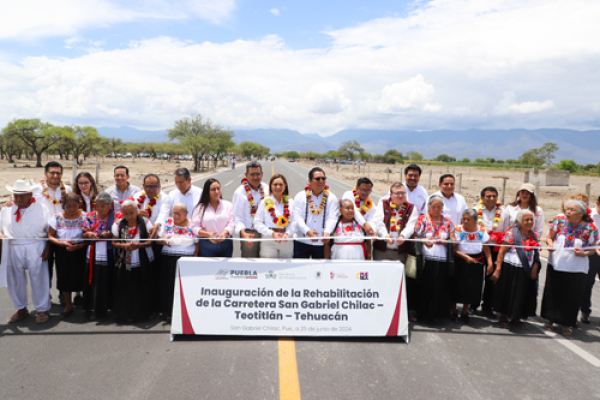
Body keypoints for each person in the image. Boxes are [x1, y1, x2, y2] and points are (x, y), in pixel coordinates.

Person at [542, 199, 598, 335]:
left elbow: (593, 248)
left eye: (572, 210)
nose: (568, 211)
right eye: (567, 209)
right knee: (553, 292)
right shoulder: (559, 221)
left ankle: (567, 322)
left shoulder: (590, 228)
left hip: (577, 268)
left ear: (581, 213)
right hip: (557, 263)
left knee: (572, 296)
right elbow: (549, 238)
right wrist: (550, 245)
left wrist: (584, 253)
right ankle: (549, 319)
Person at [1, 179, 52, 324]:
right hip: (13, 246)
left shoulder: (41, 208)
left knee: (39, 278)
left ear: (30, 194)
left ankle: (42, 309)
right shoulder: (6, 209)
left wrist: (48, 246)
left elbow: (50, 229)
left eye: (22, 195)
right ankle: (21, 308)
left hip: (36, 245)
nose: (18, 199)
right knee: (15, 280)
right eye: (16, 195)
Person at [491, 209, 541, 328]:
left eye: (531, 220)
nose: (530, 222)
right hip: (511, 267)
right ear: (519, 221)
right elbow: (501, 253)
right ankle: (503, 315)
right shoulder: (511, 233)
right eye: (526, 220)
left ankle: (516, 317)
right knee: (508, 292)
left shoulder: (534, 235)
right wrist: (498, 269)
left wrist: (535, 266)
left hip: (525, 269)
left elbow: (537, 254)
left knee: (521, 293)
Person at [33, 161, 73, 303]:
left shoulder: (67, 189)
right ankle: (46, 294)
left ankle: (64, 293)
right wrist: (9, 203)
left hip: (63, 234)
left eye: (58, 173)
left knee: (64, 266)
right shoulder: (36, 190)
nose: (55, 175)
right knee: (46, 266)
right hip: (43, 234)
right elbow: (23, 202)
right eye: (52, 172)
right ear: (46, 174)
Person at [413, 195, 456, 322]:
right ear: (429, 207)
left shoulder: (448, 222)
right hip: (426, 259)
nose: (436, 209)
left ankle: (435, 314)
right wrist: (423, 240)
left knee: (439, 287)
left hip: (442, 260)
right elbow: (415, 237)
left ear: (442, 208)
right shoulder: (422, 220)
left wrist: (446, 241)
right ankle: (420, 312)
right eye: (434, 206)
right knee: (424, 286)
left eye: (439, 207)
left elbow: (453, 239)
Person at [111, 200, 155, 322]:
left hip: (143, 259)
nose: (129, 216)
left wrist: (138, 245)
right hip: (126, 260)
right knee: (128, 287)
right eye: (126, 213)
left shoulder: (145, 222)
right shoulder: (118, 224)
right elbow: (114, 243)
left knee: (144, 284)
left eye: (132, 212)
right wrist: (124, 246)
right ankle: (128, 313)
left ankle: (147, 311)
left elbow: (151, 241)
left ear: (137, 211)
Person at [47, 193, 87, 319]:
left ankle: (84, 302)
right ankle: (68, 306)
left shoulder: (85, 216)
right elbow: (50, 236)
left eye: (74, 206)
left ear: (79, 205)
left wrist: (79, 246)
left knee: (83, 276)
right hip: (63, 252)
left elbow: (88, 237)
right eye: (68, 206)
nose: (71, 209)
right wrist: (61, 243)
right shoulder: (57, 218)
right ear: (64, 206)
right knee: (65, 278)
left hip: (81, 251)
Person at [158, 202, 198, 320]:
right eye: (175, 213)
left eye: (180, 214)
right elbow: (158, 240)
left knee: (184, 286)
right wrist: (164, 241)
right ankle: (169, 312)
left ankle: (184, 312)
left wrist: (196, 256)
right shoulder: (167, 222)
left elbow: (197, 242)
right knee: (169, 286)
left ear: (186, 213)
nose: (176, 216)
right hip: (169, 258)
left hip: (186, 258)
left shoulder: (192, 224)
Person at [452, 209, 493, 324]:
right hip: (460, 260)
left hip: (476, 261)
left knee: (471, 287)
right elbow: (453, 249)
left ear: (475, 220)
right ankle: (454, 310)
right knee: (456, 286)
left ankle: (465, 312)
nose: (465, 221)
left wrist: (489, 263)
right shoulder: (458, 230)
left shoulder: (482, 231)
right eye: (463, 219)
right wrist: (465, 257)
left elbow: (486, 248)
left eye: (468, 219)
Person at [82, 191, 116, 320]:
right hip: (93, 251)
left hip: (108, 252)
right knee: (92, 279)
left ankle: (106, 307)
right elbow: (83, 233)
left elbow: (119, 232)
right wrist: (89, 234)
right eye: (97, 205)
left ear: (110, 205)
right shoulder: (90, 216)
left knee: (106, 280)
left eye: (103, 206)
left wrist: (110, 234)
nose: (99, 209)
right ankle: (89, 307)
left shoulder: (116, 217)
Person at [293, 167, 338, 259]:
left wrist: (327, 232)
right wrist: (307, 231)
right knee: (300, 271)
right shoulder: (300, 196)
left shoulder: (332, 198)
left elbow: (332, 217)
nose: (321, 181)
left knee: (319, 272)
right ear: (310, 180)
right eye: (317, 179)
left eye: (323, 178)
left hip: (321, 242)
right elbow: (297, 217)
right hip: (301, 240)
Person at [474, 186, 504, 313]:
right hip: (479, 247)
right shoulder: (475, 210)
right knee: (476, 276)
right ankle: (473, 304)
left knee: (492, 278)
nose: (492, 199)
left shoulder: (503, 211)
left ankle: (488, 306)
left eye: (494, 196)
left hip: (496, 247)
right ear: (482, 198)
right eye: (488, 196)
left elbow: (505, 229)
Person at [373, 182, 418, 262]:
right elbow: (378, 222)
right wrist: (385, 236)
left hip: (400, 253)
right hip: (381, 250)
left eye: (403, 193)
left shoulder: (411, 208)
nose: (400, 196)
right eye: (397, 193)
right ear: (391, 194)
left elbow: (411, 226)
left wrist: (403, 236)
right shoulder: (382, 204)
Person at [233, 161, 269, 257]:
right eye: (252, 174)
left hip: (266, 233)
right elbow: (237, 217)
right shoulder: (239, 193)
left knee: (266, 260)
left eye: (258, 174)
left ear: (262, 174)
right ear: (246, 175)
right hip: (250, 233)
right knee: (250, 263)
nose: (255, 177)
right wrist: (243, 233)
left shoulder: (267, 189)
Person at [254, 174, 295, 258]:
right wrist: (271, 233)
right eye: (275, 184)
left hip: (286, 239)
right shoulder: (264, 202)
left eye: (281, 184)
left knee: (286, 269)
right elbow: (257, 222)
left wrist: (287, 233)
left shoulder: (290, 202)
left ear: (285, 186)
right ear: (270, 186)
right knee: (268, 268)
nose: (278, 187)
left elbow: (294, 222)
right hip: (269, 239)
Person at [192, 179, 234, 257]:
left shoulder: (228, 205)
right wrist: (207, 234)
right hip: (206, 245)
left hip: (226, 244)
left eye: (218, 188)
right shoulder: (199, 208)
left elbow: (232, 223)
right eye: (213, 189)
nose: (217, 191)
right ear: (207, 191)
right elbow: (195, 227)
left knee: (225, 268)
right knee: (207, 269)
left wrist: (224, 233)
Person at [582, 195, 600, 324]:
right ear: (597, 204)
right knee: (588, 282)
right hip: (592, 252)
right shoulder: (588, 216)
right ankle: (585, 311)